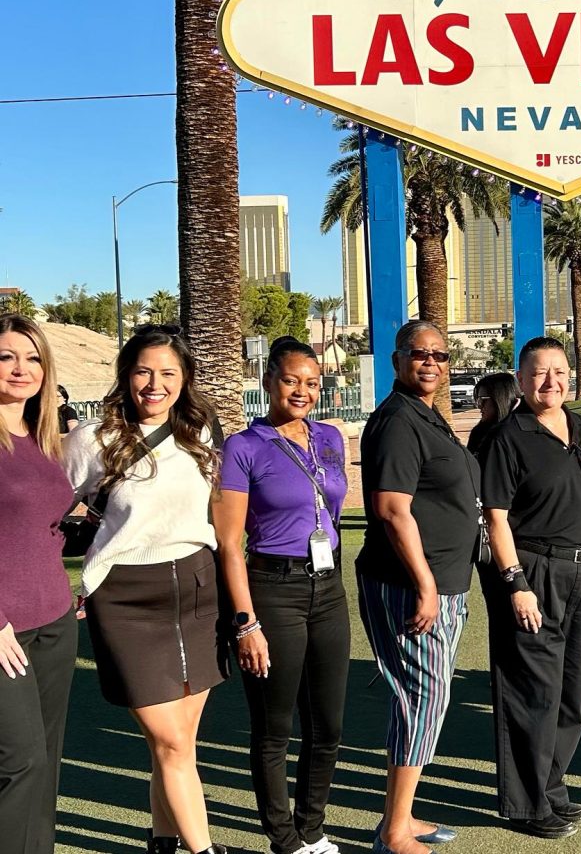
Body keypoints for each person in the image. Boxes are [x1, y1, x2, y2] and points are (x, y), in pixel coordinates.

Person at [62, 324, 229, 854]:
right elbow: (37, 509)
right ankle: (203, 851)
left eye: (168, 373)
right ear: (125, 376)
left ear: (185, 380)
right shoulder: (92, 439)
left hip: (198, 589)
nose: (154, 384)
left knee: (178, 745)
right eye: (143, 371)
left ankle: (163, 843)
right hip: (126, 596)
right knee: (172, 741)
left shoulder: (200, 430)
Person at [216, 337, 349, 854]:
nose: (302, 391)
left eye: (312, 383)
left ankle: (312, 828)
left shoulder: (331, 438)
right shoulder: (243, 446)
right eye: (291, 380)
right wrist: (245, 621)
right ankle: (284, 838)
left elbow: (332, 511)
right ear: (269, 380)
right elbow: (229, 542)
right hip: (273, 590)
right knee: (275, 726)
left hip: (329, 588)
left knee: (329, 723)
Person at [357, 321, 480, 854]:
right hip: (411, 587)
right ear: (397, 359)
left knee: (417, 701)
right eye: (419, 353)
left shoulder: (425, 414)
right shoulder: (397, 421)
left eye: (439, 354)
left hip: (442, 581)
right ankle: (394, 832)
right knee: (424, 700)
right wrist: (426, 585)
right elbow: (391, 509)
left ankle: (400, 817)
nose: (430, 362)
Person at [481, 336, 581, 840]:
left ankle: (551, 789)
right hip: (533, 572)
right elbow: (496, 517)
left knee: (570, 696)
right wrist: (516, 583)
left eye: (559, 371)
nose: (550, 381)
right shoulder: (507, 437)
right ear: (521, 379)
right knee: (532, 694)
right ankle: (527, 805)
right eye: (538, 373)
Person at [0, 315, 78, 854]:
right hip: (4, 630)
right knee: (20, 759)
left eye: (32, 358)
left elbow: (45, 525)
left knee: (46, 758)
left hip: (53, 619)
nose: (20, 369)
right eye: (6, 357)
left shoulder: (48, 440)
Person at [467, 372, 520, 457]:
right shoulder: (478, 433)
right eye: (478, 400)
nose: (479, 405)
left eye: (483, 400)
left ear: (500, 399)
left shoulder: (522, 434)